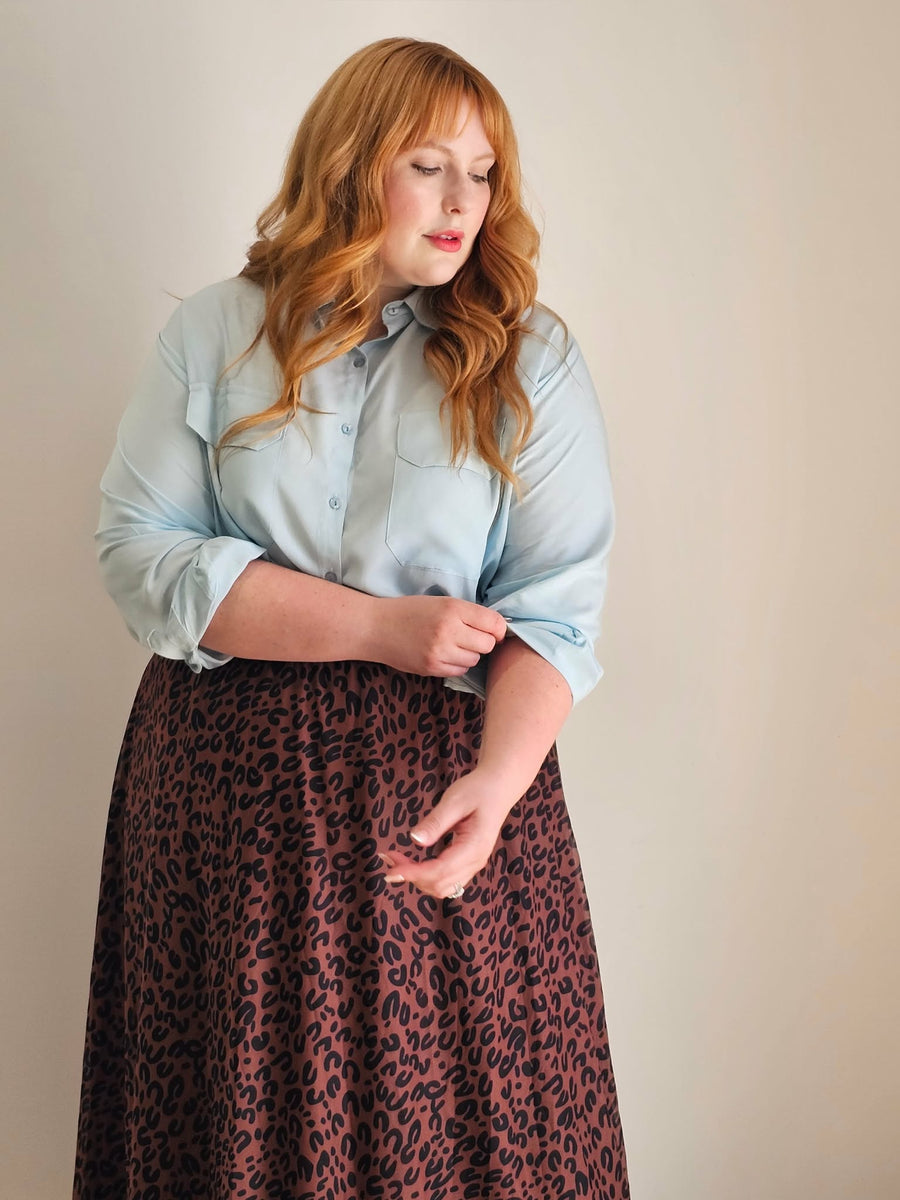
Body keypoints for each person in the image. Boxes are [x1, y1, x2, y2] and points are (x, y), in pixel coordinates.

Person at [73, 36, 629, 1200]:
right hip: (224, 804)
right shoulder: (219, 333)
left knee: (468, 1136)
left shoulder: (531, 359)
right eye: (429, 164)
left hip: (445, 797)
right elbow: (141, 554)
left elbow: (555, 613)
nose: (463, 201)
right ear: (349, 164)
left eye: (483, 172)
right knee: (230, 1129)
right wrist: (380, 629)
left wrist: (498, 786)